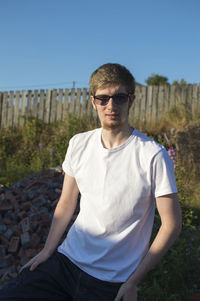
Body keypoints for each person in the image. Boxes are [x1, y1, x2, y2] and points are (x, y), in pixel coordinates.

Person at [0, 63, 182, 301]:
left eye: (119, 97)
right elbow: (66, 203)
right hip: (65, 263)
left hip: (111, 282)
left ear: (132, 100)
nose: (111, 105)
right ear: (93, 101)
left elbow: (172, 225)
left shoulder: (153, 155)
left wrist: (133, 281)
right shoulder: (79, 144)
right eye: (103, 98)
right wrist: (47, 251)